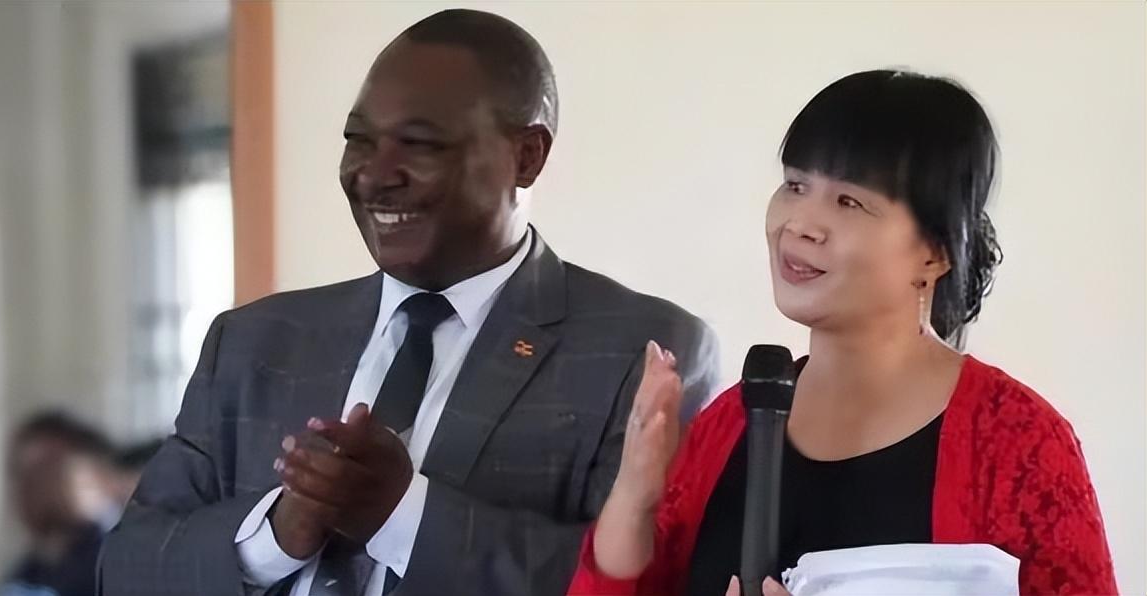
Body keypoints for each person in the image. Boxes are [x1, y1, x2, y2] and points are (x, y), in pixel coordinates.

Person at [98, 9, 721, 596]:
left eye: (420, 144)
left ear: (526, 156)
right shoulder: (253, 341)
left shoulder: (643, 352)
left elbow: (652, 581)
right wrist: (274, 536)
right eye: (359, 140)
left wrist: (404, 517)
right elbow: (123, 569)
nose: (374, 174)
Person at [568, 70, 1117, 596]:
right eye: (795, 185)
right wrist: (636, 493)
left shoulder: (1018, 442)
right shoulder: (730, 422)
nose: (799, 223)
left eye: (848, 201)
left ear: (935, 252)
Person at [0, 412, 121, 596]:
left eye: (46, 470)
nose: (30, 486)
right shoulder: (27, 572)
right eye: (21, 472)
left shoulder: (116, 565)